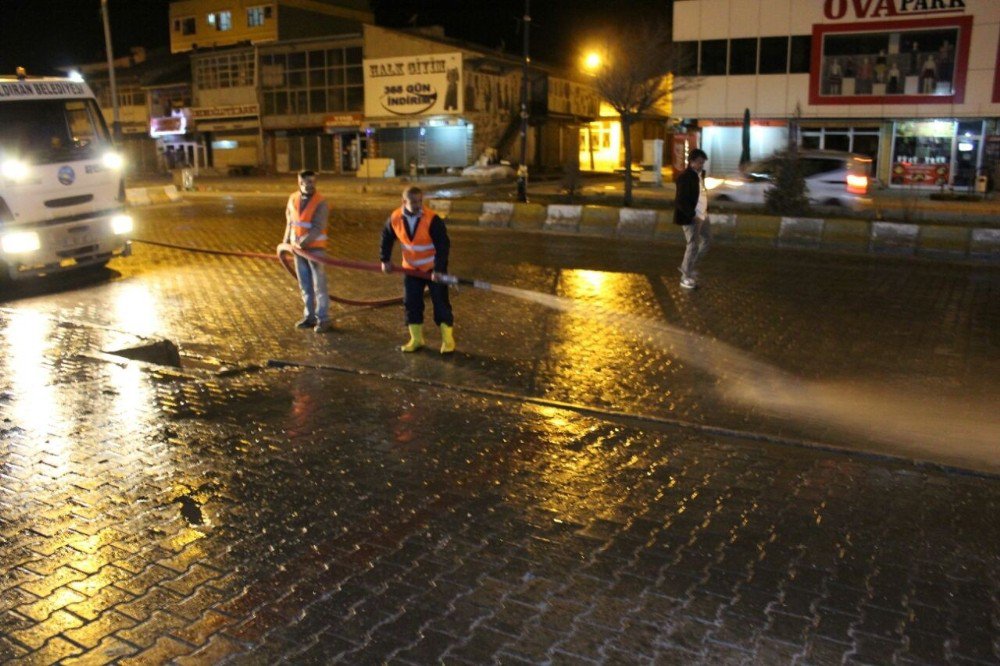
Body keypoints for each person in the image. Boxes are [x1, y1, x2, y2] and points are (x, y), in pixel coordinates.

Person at [380, 186, 455, 353]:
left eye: (420, 201)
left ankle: (448, 340)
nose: (418, 205)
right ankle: (416, 339)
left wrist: (439, 269)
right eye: (413, 202)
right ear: (403, 202)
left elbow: (443, 246)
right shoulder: (395, 218)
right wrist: (385, 259)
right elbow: (386, 237)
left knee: (441, 303)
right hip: (411, 270)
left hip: (432, 270)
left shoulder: (432, 219)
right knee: (411, 303)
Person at [284, 170, 331, 333]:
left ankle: (323, 319)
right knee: (305, 285)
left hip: (315, 250)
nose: (309, 185)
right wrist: (285, 243)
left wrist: (301, 244)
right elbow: (290, 222)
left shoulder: (321, 202)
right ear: (299, 182)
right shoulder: (292, 199)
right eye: (306, 182)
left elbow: (318, 227)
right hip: (298, 250)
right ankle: (309, 316)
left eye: (312, 182)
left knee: (319, 286)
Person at [674, 148, 710, 290]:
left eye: (703, 162)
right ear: (692, 162)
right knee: (693, 245)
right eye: (699, 162)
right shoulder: (685, 177)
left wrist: (705, 210)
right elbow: (680, 201)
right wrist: (691, 215)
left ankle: (689, 267)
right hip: (693, 217)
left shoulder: (700, 175)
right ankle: (685, 277)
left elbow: (701, 193)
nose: (701, 165)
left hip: (703, 214)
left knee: (707, 241)